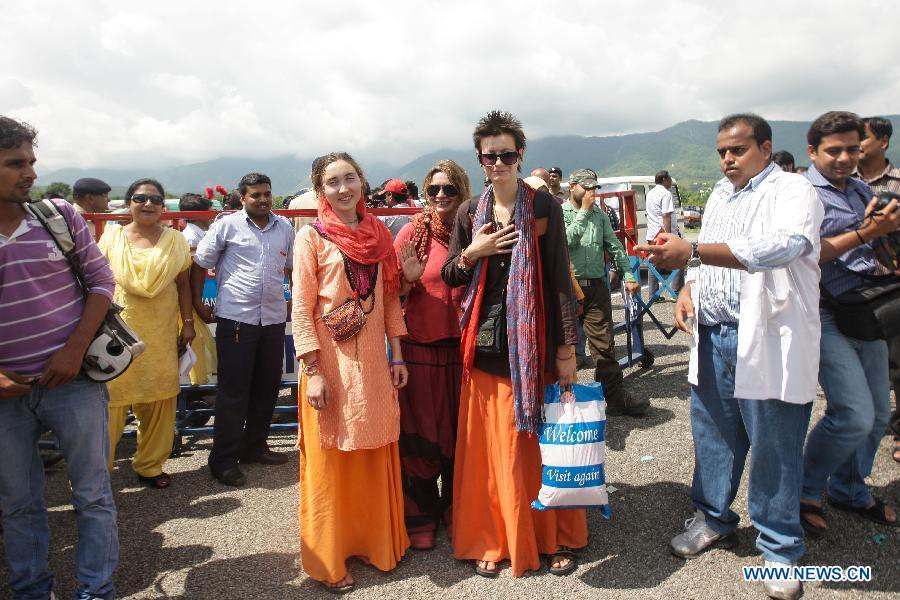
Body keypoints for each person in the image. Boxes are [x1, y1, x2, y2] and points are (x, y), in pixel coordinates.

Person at [636, 113, 823, 600]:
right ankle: (713, 517)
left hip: (765, 336)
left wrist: (693, 251)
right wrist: (688, 289)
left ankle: (780, 549)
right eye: (721, 151)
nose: (726, 160)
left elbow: (781, 246)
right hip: (713, 332)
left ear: (765, 147)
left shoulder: (791, 191)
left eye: (737, 150)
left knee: (774, 444)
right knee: (714, 432)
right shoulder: (720, 194)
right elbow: (704, 258)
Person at [442, 110, 585, 578]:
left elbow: (560, 278)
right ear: (480, 161)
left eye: (506, 154)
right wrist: (472, 252)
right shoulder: (468, 213)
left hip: (534, 346)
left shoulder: (543, 209)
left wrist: (567, 350)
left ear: (521, 156)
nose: (498, 162)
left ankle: (549, 537)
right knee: (493, 451)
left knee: (538, 447)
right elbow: (449, 276)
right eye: (490, 156)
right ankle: (493, 536)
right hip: (485, 346)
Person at [0, 116, 119, 599]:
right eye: (14, 164)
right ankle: (32, 590)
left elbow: (101, 283)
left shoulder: (59, 218)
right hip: (6, 397)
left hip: (75, 384)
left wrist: (73, 351)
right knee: (18, 504)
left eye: (30, 161)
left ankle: (96, 590)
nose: (29, 172)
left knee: (92, 496)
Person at [292, 152, 410, 593]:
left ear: (362, 183)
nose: (343, 189)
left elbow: (391, 301)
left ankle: (375, 544)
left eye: (350, 179)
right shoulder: (313, 238)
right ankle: (329, 558)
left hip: (376, 367)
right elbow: (301, 310)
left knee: (372, 448)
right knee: (331, 458)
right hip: (329, 365)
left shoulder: (378, 234)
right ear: (321, 191)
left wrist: (398, 356)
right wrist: (312, 370)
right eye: (333, 182)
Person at [799, 111, 900, 537]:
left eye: (852, 149)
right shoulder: (802, 195)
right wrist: (865, 233)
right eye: (833, 150)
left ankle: (848, 487)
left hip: (867, 309)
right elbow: (805, 252)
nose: (844, 158)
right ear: (812, 151)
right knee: (854, 414)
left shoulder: (860, 189)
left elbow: (877, 241)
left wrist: (885, 234)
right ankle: (805, 487)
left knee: (878, 414)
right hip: (826, 312)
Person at [192, 172, 293, 487]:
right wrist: (197, 303)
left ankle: (255, 447)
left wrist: (292, 300)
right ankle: (223, 460)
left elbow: (291, 267)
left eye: (267, 193)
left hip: (274, 319)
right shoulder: (226, 226)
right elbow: (199, 263)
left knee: (267, 388)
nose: (262, 199)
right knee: (233, 394)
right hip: (236, 320)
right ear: (243, 198)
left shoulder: (285, 228)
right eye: (255, 195)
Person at [392, 160, 469, 551]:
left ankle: (457, 510)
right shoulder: (412, 234)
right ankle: (422, 512)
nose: (441, 196)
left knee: (459, 435)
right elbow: (391, 298)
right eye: (434, 189)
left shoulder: (473, 230)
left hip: (464, 351)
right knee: (421, 436)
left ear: (462, 192)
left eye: (450, 189)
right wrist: (405, 279)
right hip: (420, 348)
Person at [99, 178, 195, 489]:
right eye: (140, 198)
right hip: (117, 334)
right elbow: (96, 284)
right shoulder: (111, 239)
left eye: (155, 199)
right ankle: (96, 476)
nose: (148, 204)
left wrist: (189, 323)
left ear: (163, 207)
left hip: (161, 332)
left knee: (159, 399)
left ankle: (150, 465)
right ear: (129, 204)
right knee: (110, 402)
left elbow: (183, 286)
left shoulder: (175, 241)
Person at [565, 168, 647, 415]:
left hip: (596, 287)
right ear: (572, 187)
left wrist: (629, 274)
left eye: (594, 188)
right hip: (569, 287)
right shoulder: (562, 213)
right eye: (586, 187)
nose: (591, 192)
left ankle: (613, 398)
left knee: (604, 345)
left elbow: (614, 246)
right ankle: (562, 403)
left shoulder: (599, 215)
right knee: (564, 347)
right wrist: (583, 212)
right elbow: (566, 241)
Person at [856, 115, 900, 463]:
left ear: (883, 142)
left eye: (863, 139)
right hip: (854, 291)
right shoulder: (844, 184)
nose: (856, 147)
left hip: (892, 286)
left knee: (897, 364)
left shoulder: (897, 182)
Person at [645, 170, 683, 302]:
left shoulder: (650, 193)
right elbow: (666, 214)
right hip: (662, 232)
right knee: (679, 259)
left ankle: (653, 295)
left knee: (653, 262)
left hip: (652, 233)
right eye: (670, 179)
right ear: (665, 179)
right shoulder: (666, 193)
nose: (671, 182)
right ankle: (676, 293)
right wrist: (668, 235)